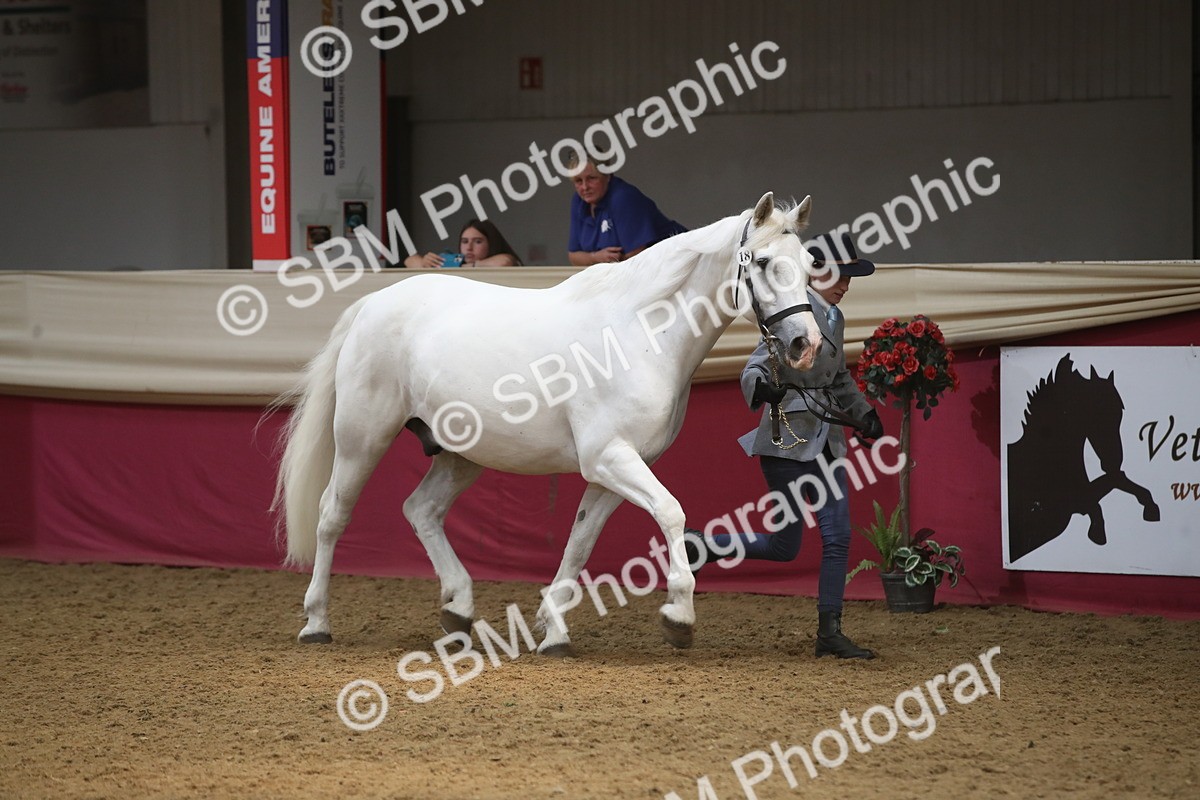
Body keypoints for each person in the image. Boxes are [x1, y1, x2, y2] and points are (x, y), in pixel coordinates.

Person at [687, 231, 884, 660]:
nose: (847, 284)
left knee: (830, 539)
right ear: (815, 271)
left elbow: (838, 378)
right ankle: (704, 546)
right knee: (788, 546)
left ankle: (829, 632)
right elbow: (755, 365)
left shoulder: (833, 316)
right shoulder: (795, 311)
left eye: (850, 276)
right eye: (841, 275)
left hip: (827, 442)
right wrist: (762, 388)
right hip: (787, 445)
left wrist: (863, 412)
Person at [566, 153, 686, 266]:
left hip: (680, 261)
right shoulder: (580, 201)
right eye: (578, 181)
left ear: (607, 176)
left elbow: (637, 257)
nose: (585, 187)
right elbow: (574, 256)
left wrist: (603, 262)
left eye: (592, 178)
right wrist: (595, 257)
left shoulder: (622, 197)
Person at [404, 218, 522, 269]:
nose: (469, 247)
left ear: (491, 243)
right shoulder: (455, 261)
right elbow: (410, 260)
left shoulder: (506, 259)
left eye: (478, 241)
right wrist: (425, 263)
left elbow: (503, 262)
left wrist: (458, 267)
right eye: (465, 241)